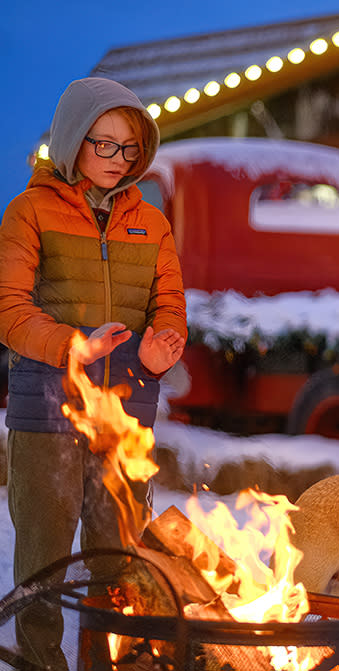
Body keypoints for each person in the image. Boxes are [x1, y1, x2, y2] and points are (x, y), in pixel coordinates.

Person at [0, 77, 186, 670]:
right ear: (72, 139)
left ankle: (115, 665)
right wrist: (71, 346)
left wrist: (163, 349)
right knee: (44, 564)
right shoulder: (29, 212)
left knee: (121, 564)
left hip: (126, 418)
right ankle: (40, 664)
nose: (116, 159)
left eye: (129, 147)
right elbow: (8, 310)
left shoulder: (152, 223)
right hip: (47, 414)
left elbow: (169, 307)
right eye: (102, 143)